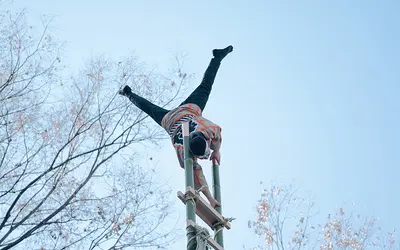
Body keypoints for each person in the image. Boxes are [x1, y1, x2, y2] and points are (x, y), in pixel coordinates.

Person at [119, 45, 233, 208]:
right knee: (150, 108)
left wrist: (215, 151)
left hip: (179, 116)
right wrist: (216, 151)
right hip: (173, 118)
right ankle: (217, 58)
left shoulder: (186, 150)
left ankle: (128, 93)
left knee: (204, 88)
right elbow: (216, 137)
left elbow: (196, 174)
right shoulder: (198, 137)